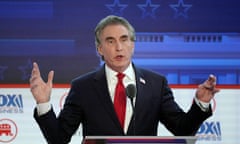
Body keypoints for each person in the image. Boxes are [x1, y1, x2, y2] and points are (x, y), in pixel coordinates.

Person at [30, 15, 220, 144]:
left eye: (124, 39)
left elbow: (182, 130)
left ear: (133, 45)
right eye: (110, 41)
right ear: (99, 49)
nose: (119, 47)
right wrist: (43, 103)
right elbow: (59, 139)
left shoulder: (156, 84)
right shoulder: (83, 87)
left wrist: (200, 104)